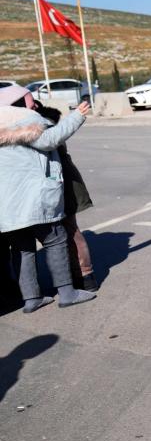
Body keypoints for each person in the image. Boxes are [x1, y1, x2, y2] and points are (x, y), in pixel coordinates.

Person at [0, 86, 96, 312]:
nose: (34, 104)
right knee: (56, 240)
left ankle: (31, 298)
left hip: (7, 204)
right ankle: (67, 293)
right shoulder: (23, 120)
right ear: (19, 104)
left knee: (22, 249)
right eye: (30, 100)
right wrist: (77, 117)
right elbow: (50, 139)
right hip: (34, 198)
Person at [34, 102, 99, 292]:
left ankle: (84, 275)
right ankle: (73, 275)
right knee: (62, 231)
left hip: (64, 182)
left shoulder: (44, 125)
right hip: (53, 183)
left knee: (69, 229)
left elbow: (51, 139)